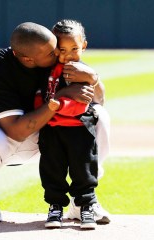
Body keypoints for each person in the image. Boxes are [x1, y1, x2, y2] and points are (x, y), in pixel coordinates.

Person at [0, 21, 110, 224]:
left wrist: (93, 78)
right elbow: (16, 131)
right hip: (6, 134)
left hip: (47, 133)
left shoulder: (59, 58)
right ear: (27, 59)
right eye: (51, 53)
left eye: (56, 47)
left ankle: (82, 200)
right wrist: (62, 94)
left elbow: (97, 100)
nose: (57, 53)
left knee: (98, 116)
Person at [37, 19, 103, 230]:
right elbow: (40, 98)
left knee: (83, 170)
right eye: (61, 49)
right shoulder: (46, 70)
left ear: (84, 45)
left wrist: (92, 78)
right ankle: (55, 206)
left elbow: (98, 100)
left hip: (80, 128)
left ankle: (86, 207)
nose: (67, 55)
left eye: (74, 48)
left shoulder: (84, 71)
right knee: (52, 169)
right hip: (52, 128)